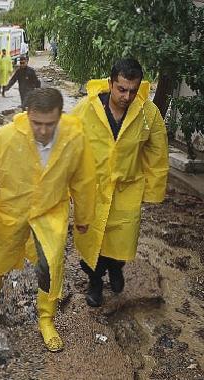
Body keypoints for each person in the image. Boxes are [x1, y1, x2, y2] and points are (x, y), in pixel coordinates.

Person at [0, 88, 96, 352]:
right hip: (12, 208)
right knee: (0, 253)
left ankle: (46, 318)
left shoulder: (74, 140)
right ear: (27, 114)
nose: (42, 130)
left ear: (59, 117)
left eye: (49, 124)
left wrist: (84, 216)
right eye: (36, 123)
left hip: (50, 210)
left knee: (50, 264)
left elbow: (83, 180)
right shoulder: (7, 136)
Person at [71, 58, 169, 307]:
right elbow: (66, 147)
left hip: (127, 190)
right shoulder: (85, 110)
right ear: (110, 83)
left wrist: (154, 191)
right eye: (121, 89)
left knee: (121, 242)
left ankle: (116, 268)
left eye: (133, 91)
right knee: (92, 243)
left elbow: (157, 154)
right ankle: (95, 283)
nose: (127, 96)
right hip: (93, 190)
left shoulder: (148, 113)